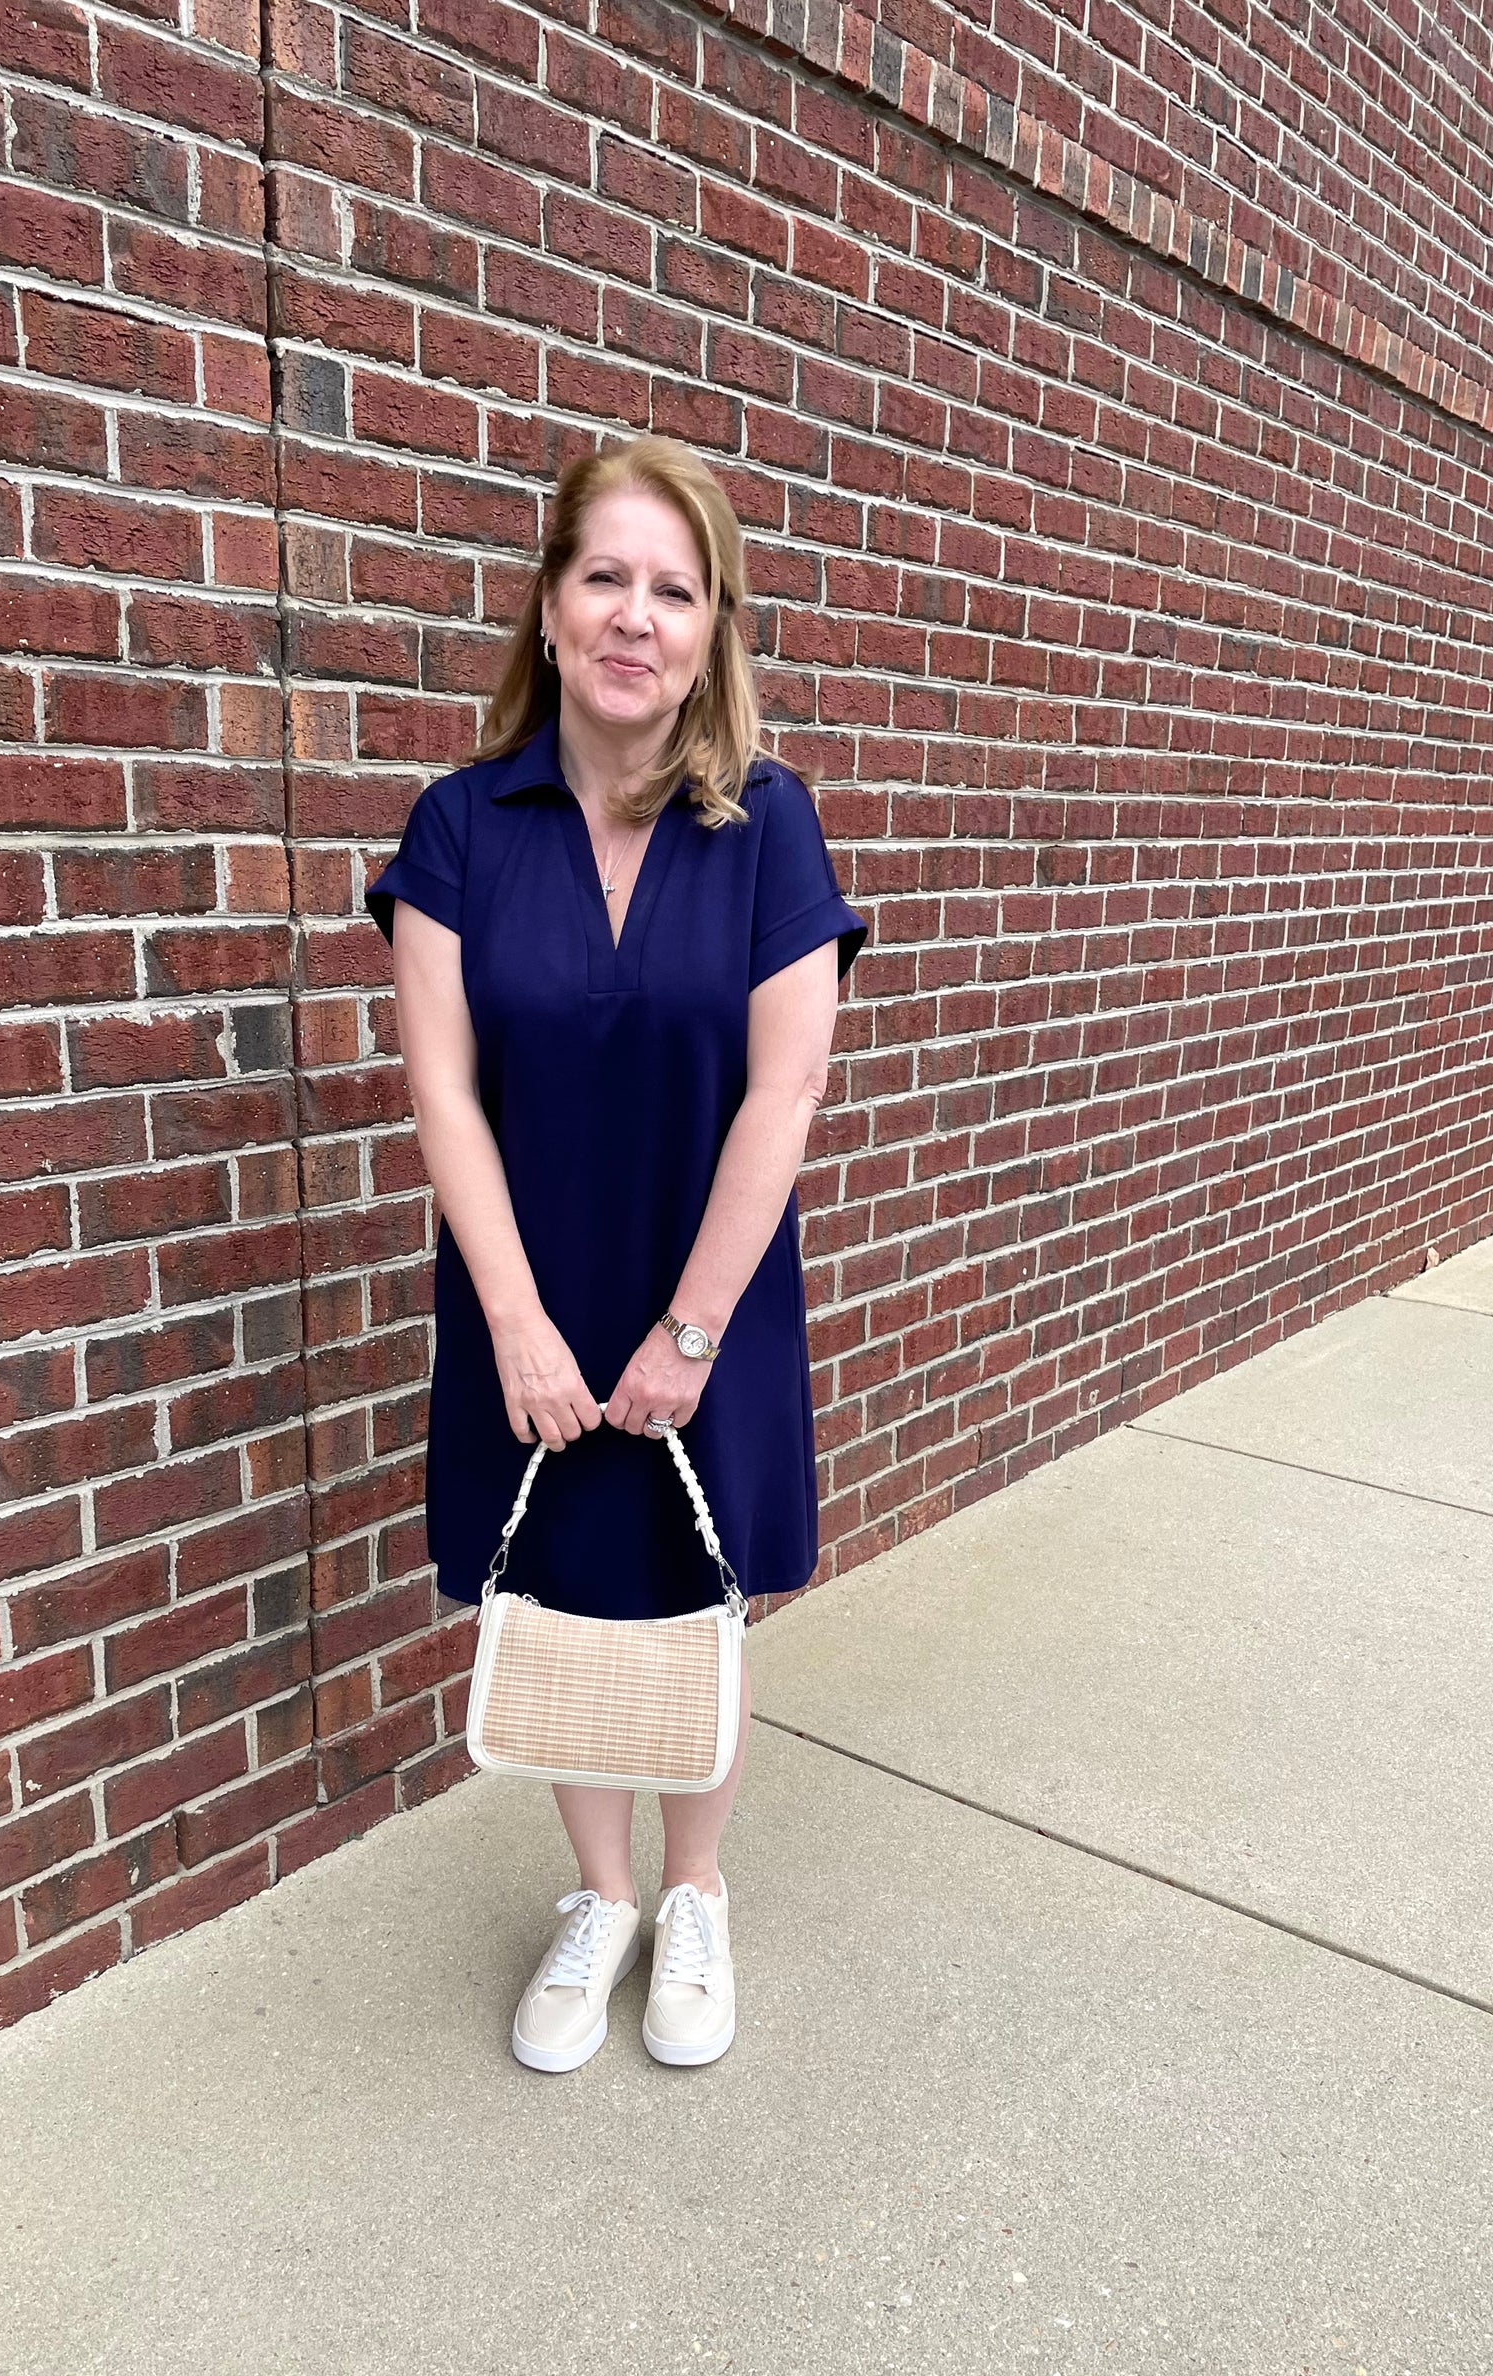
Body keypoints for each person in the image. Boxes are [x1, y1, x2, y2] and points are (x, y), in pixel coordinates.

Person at [364, 434, 867, 2074]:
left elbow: (786, 1088)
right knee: (566, 1593)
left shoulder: (766, 825)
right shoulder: (458, 827)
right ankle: (601, 1897)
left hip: (708, 1289)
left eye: (674, 589)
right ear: (547, 605)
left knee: (695, 1595)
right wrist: (514, 1323)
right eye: (604, 578)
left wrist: (694, 1329)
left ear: (712, 629)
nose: (634, 616)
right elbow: (442, 1088)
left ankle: (695, 1892)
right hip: (531, 1290)